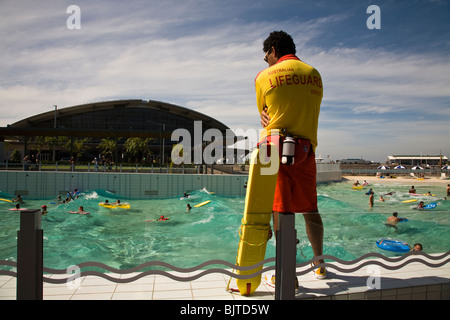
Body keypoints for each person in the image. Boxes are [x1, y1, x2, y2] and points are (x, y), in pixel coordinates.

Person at [256, 31, 325, 280]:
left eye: (266, 56)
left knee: (281, 210)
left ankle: (287, 275)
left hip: (276, 149)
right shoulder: (314, 74)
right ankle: (319, 263)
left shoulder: (263, 77)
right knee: (310, 210)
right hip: (306, 150)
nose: (266, 61)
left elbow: (265, 112)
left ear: (273, 50)